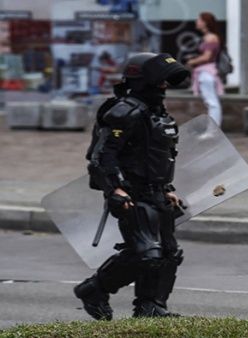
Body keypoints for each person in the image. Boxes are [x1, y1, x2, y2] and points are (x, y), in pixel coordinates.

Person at [74, 53, 190, 320]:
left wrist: (168, 187)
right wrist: (115, 189)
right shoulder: (125, 112)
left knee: (168, 254)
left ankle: (152, 308)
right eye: (160, 82)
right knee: (147, 253)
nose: (164, 88)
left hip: (158, 192)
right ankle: (94, 288)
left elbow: (157, 157)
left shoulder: (156, 114)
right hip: (132, 193)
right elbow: (103, 156)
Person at [186, 12, 224, 127]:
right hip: (205, 71)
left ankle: (213, 128)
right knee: (210, 102)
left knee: (212, 102)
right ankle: (213, 127)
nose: (197, 22)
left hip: (207, 72)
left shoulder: (211, 37)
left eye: (199, 20)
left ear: (205, 22)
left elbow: (207, 56)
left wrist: (192, 61)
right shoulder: (208, 37)